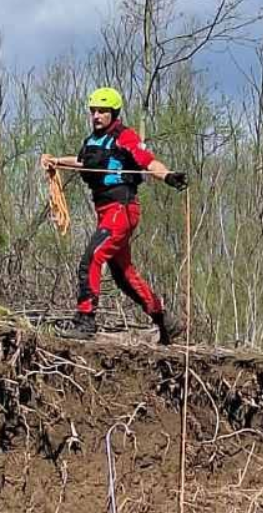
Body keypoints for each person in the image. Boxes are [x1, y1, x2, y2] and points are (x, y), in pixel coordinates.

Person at [40, 87, 186, 344]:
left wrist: (169, 176)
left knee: (92, 258)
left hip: (121, 210)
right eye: (93, 111)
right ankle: (165, 320)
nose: (96, 116)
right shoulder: (92, 141)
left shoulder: (125, 137)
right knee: (124, 275)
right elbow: (83, 162)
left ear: (113, 113)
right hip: (104, 211)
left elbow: (148, 162)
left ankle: (85, 321)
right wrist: (57, 162)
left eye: (102, 111)